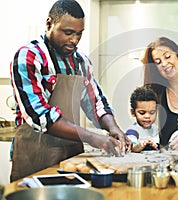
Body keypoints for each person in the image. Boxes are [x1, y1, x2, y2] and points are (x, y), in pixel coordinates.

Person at [9, 0, 131, 182]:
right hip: (33, 155)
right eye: (68, 33)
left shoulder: (81, 62)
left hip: (71, 155)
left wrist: (113, 128)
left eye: (79, 34)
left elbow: (96, 104)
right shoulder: (29, 56)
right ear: (49, 24)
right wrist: (92, 137)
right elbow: (39, 116)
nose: (74, 40)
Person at [126, 86, 159, 153]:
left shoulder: (157, 129)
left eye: (152, 112)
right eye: (142, 113)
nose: (147, 116)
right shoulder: (133, 131)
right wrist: (140, 145)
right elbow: (131, 147)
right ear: (133, 112)